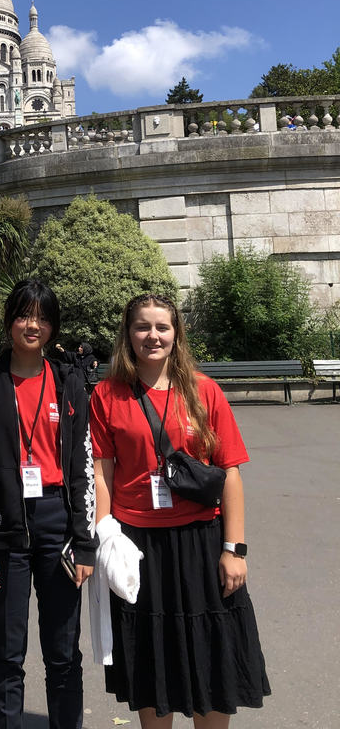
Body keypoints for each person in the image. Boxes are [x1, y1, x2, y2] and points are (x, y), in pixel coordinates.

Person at [89, 293, 270, 728]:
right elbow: (101, 474)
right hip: (138, 546)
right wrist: (105, 539)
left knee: (212, 656)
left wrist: (235, 548)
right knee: (153, 660)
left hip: (201, 541)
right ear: (127, 334)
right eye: (142, 327)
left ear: (176, 334)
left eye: (162, 327)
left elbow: (229, 472)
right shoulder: (107, 394)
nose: (152, 336)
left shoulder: (204, 390)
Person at [0, 279, 97, 729]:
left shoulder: (69, 381)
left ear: (53, 326)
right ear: (9, 322)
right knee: (5, 649)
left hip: (58, 522)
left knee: (63, 651)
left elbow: (83, 463)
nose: (32, 324)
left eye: (41, 317)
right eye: (23, 314)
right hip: (6, 527)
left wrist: (85, 541)